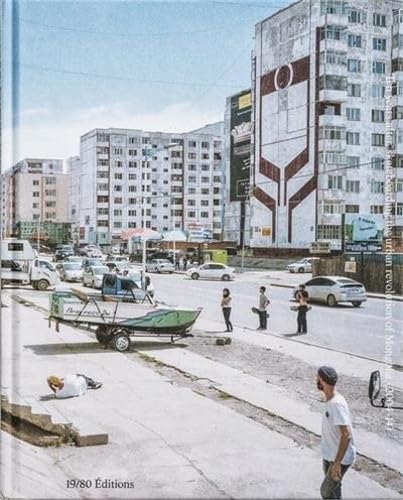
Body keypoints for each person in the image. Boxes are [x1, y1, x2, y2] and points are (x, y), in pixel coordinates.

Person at [317, 366, 356, 499]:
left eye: (317, 377)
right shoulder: (329, 399)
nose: (315, 379)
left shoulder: (336, 404)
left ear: (321, 380)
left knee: (326, 492)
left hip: (340, 458)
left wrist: (337, 463)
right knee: (334, 490)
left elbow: (346, 435)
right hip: (330, 454)